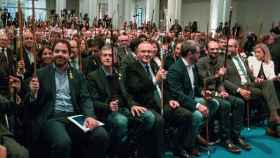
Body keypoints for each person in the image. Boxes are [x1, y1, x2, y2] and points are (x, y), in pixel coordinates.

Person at [26, 39, 109, 158]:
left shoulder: (77, 74)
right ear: (53, 53)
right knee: (62, 143)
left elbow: (85, 98)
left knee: (101, 136)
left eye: (64, 52)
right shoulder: (41, 74)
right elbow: (30, 105)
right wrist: (33, 93)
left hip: (75, 116)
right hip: (53, 117)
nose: (60, 54)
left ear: (69, 55)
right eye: (57, 51)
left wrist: (90, 116)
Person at [167, 40, 220, 156]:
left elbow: (195, 86)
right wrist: (197, 105)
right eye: (198, 53)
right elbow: (177, 94)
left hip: (191, 98)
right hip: (180, 102)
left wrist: (203, 93)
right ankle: (189, 145)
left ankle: (194, 133)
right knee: (197, 115)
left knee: (214, 103)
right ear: (190, 54)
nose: (200, 55)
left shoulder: (193, 65)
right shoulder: (175, 69)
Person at [197, 40, 251, 153]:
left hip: (218, 92)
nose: (215, 51)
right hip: (206, 93)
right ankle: (225, 139)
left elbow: (221, 82)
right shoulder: (201, 62)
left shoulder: (221, 61)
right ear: (206, 50)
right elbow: (203, 81)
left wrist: (222, 90)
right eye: (212, 49)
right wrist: (217, 75)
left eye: (217, 49)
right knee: (225, 105)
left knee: (239, 102)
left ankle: (236, 135)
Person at [223, 38, 280, 137]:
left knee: (268, 84)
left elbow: (249, 74)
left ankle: (273, 116)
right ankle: (273, 120)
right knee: (268, 92)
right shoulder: (224, 60)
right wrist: (239, 90)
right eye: (226, 46)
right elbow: (224, 80)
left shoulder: (242, 58)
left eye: (230, 46)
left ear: (237, 48)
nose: (227, 48)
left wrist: (255, 79)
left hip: (250, 84)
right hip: (240, 86)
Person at [87, 45, 134, 157]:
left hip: (122, 108)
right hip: (105, 112)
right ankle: (115, 152)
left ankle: (128, 149)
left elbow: (126, 94)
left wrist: (132, 105)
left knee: (144, 117)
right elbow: (92, 101)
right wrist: (108, 106)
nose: (108, 58)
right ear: (100, 58)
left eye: (110, 56)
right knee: (121, 121)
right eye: (105, 55)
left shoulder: (118, 73)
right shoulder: (93, 76)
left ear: (115, 58)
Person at [124, 40, 165, 158]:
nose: (147, 54)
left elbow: (160, 85)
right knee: (158, 120)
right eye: (143, 52)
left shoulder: (152, 65)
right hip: (142, 103)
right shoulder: (132, 68)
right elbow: (136, 88)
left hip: (158, 101)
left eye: (149, 51)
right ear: (137, 54)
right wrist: (155, 80)